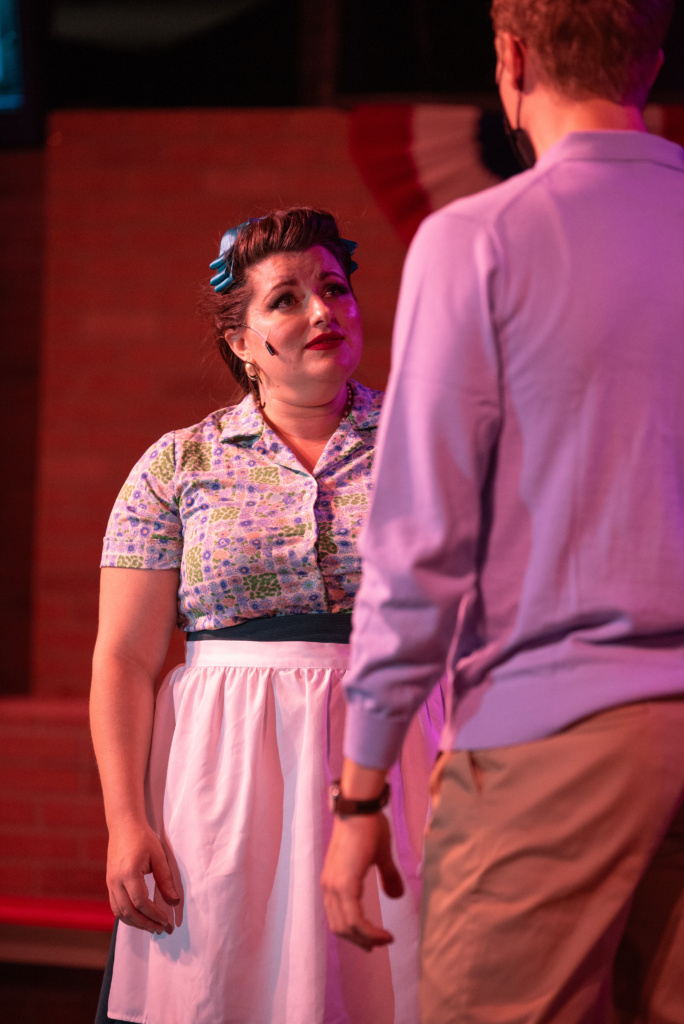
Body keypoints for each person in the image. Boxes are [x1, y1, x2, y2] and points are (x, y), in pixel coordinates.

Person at [321, 3, 684, 1022]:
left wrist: (361, 789)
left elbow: (420, 540)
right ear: (651, 62)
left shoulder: (480, 238)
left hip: (558, 730)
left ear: (511, 58)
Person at [90, 208, 444, 1024]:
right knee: (223, 985)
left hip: (399, 761)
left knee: (399, 984)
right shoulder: (178, 465)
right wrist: (126, 820)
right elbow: (124, 661)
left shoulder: (428, 442)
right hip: (224, 778)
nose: (323, 310)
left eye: (335, 289)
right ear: (240, 340)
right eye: (286, 299)